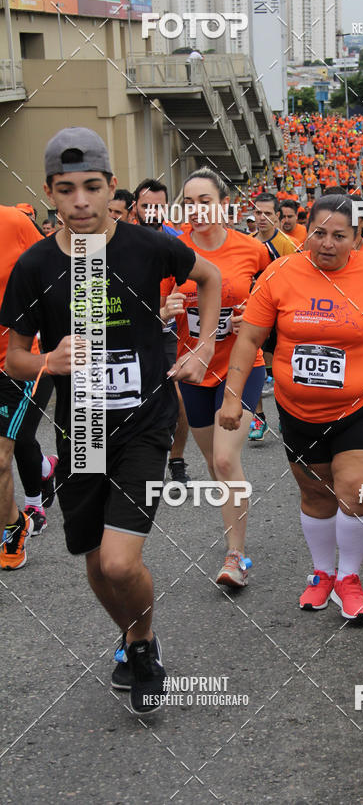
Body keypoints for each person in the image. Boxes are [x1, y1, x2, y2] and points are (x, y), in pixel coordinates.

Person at [0, 128, 222, 713]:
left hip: (145, 423)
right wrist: (48, 360)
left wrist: (198, 346)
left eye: (92, 188)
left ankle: (142, 643)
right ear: (50, 192)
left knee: (122, 560)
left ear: (110, 187)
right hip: (84, 430)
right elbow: (15, 356)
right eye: (67, 190)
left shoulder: (148, 247)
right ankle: (130, 636)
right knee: (97, 564)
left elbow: (210, 278)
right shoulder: (35, 265)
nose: (81, 202)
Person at [219, 195, 363, 621]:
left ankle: (349, 577)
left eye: (339, 236)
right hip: (300, 410)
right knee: (316, 492)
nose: (327, 244)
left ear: (356, 237)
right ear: (307, 232)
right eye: (319, 233)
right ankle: (321, 575)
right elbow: (249, 339)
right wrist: (233, 397)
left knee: (358, 492)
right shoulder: (280, 273)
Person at [163, 166, 270, 588]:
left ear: (224, 204)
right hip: (193, 371)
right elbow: (152, 313)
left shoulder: (252, 251)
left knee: (226, 458)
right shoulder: (173, 253)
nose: (197, 210)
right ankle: (233, 527)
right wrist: (165, 312)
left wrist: (255, 320)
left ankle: (236, 556)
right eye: (189, 202)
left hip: (242, 366)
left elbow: (271, 303)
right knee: (213, 461)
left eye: (205, 201)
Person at [133, 178, 192, 483]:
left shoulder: (177, 241)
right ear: (135, 208)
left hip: (168, 332)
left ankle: (177, 459)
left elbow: (194, 284)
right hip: (130, 331)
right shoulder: (121, 239)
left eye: (158, 206)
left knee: (177, 398)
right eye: (146, 206)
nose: (153, 212)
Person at [0, 205, 46, 569]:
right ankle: (16, 517)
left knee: (1, 457)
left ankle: (12, 531)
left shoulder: (14, 222)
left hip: (10, 362)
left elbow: (52, 270)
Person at [250, 193, 296, 435]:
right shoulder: (247, 242)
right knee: (253, 364)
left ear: (277, 217)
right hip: (254, 315)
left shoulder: (286, 244)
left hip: (281, 315)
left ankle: (285, 416)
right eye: (258, 213)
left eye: (268, 213)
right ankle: (258, 419)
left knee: (280, 371)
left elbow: (296, 280)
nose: (262, 218)